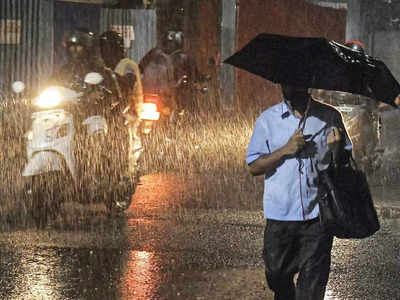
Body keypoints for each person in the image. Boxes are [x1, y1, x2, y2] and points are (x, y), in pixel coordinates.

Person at [246, 84, 352, 300]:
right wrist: (285, 150)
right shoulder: (268, 120)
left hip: (318, 217)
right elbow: (254, 167)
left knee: (312, 290)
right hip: (280, 215)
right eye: (286, 80)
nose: (290, 85)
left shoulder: (329, 116)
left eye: (296, 79)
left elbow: (344, 161)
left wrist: (337, 149)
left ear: (308, 82)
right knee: (276, 275)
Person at [99, 30, 144, 182]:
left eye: (108, 47)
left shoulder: (127, 64)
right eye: (102, 47)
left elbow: (128, 85)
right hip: (110, 108)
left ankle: (124, 171)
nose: (105, 51)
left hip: (129, 109)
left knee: (119, 132)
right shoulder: (101, 66)